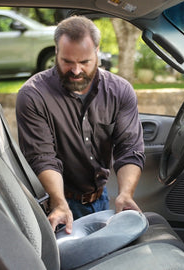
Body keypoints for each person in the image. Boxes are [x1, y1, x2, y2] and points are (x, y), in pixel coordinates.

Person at [15, 16, 145, 234]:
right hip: (58, 202)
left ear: (97, 52)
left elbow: (129, 149)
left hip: (101, 197)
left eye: (84, 62)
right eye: (67, 61)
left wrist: (125, 194)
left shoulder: (120, 91)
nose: (76, 70)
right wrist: (59, 203)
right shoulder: (33, 96)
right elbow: (43, 157)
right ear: (56, 52)